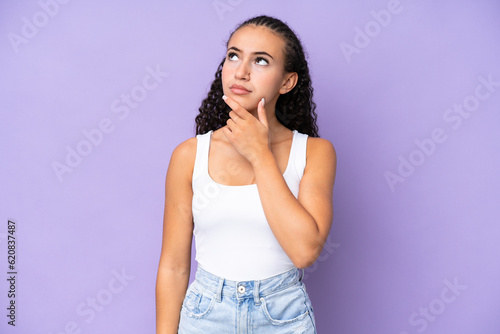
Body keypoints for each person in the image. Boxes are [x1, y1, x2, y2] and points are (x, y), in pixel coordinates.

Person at [156, 15, 337, 333]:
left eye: (262, 61)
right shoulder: (189, 155)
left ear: (286, 82)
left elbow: (304, 251)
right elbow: (173, 267)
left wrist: (259, 154)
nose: (241, 71)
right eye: (233, 55)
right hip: (206, 316)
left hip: (283, 317)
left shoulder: (315, 153)